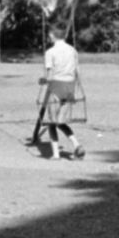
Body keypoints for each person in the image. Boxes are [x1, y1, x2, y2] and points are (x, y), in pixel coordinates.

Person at [38, 32, 85, 161]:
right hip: (70, 85)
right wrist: (76, 90)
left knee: (52, 122)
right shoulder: (72, 50)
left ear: (52, 36)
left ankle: (56, 154)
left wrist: (42, 80)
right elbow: (77, 70)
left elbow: (50, 75)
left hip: (57, 85)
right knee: (60, 121)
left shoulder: (50, 52)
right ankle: (76, 144)